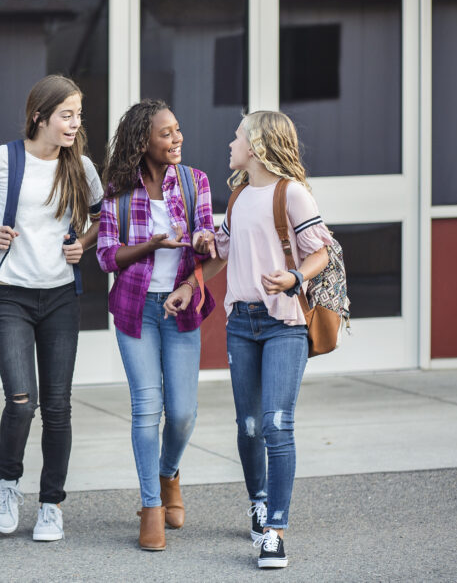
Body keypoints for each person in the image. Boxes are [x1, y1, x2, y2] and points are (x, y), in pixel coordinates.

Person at [0, 75, 103, 542]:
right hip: (9, 293)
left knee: (57, 407)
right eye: (66, 115)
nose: (75, 123)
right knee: (21, 402)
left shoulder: (81, 168)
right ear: (40, 116)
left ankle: (51, 503)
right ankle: (8, 482)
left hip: (59, 298)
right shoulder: (0, 160)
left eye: (78, 114)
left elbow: (100, 218)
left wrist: (82, 246)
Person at [166, 110, 332, 569]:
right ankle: (258, 501)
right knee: (249, 426)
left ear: (257, 147)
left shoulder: (291, 193)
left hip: (284, 324)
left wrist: (294, 277)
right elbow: (222, 250)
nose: (230, 143)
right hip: (242, 324)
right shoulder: (238, 197)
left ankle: (275, 530)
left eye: (238, 136)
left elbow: (322, 250)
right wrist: (192, 277)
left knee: (277, 424)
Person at [96, 99, 217, 551]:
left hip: (181, 307)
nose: (176, 138)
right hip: (136, 309)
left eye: (177, 130)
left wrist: (203, 239)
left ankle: (169, 475)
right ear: (142, 141)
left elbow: (206, 237)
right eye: (166, 133)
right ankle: (151, 508)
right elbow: (107, 255)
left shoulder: (194, 181)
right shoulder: (118, 191)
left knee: (182, 413)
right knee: (147, 407)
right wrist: (150, 245)